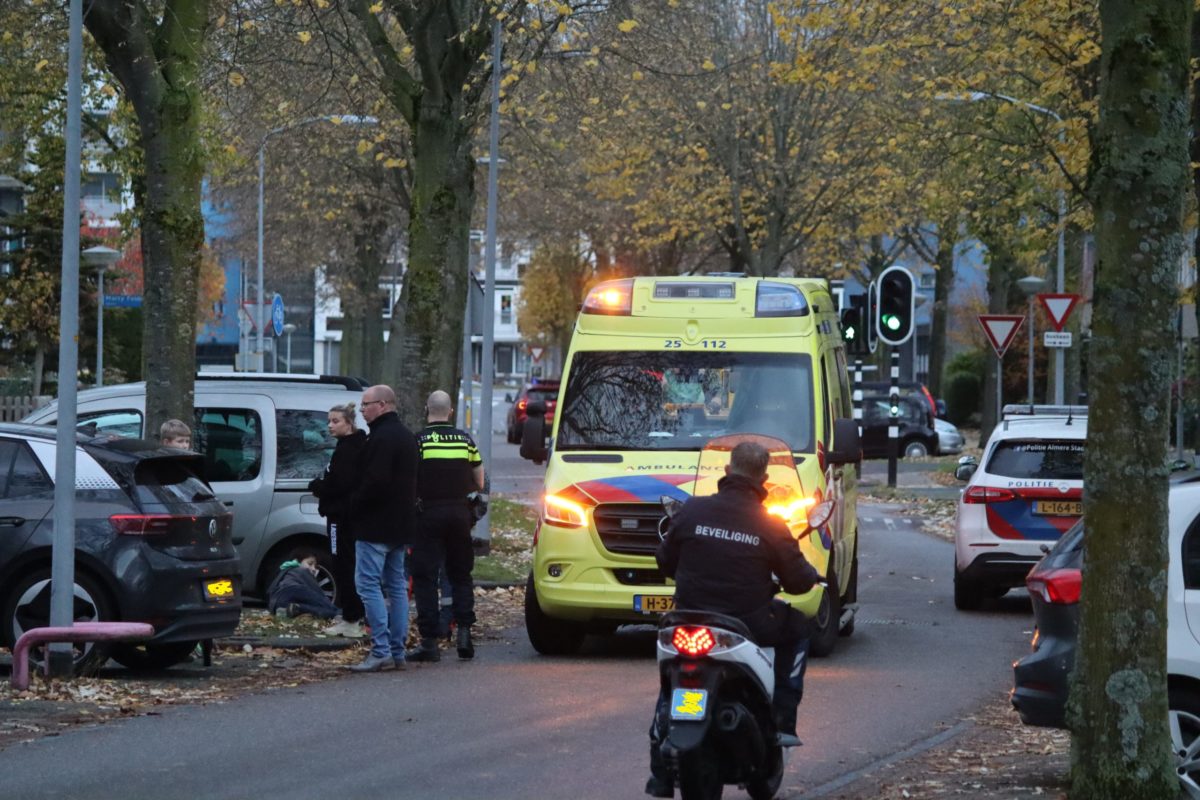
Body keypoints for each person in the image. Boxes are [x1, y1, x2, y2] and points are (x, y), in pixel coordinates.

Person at [646, 440, 819, 797]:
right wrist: (810, 573)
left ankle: (659, 750)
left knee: (670, 679)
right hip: (745, 624)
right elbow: (799, 582)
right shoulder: (770, 524)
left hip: (685, 620)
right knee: (799, 626)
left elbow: (663, 562)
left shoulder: (692, 510)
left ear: (727, 471)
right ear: (764, 479)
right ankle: (783, 716)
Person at [407, 390, 485, 663]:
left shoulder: (419, 441)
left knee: (426, 577)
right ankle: (464, 632)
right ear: (450, 412)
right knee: (460, 574)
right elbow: (480, 481)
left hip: (428, 513)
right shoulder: (465, 440)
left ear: (427, 410)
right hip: (459, 513)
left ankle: (429, 642)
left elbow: (410, 480)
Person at [348, 384, 419, 672]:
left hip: (375, 524)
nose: (362, 410)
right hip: (400, 525)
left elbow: (375, 482)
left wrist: (354, 503)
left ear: (384, 405)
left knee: (368, 585)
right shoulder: (406, 437)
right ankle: (397, 651)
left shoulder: (380, 438)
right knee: (397, 588)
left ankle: (380, 649)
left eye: (366, 404)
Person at [308, 402, 368, 639]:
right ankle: (352, 614)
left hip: (341, 517)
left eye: (336, 421)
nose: (330, 426)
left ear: (349, 423)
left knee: (343, 564)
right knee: (347, 564)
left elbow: (340, 484)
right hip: (346, 515)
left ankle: (351, 617)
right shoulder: (351, 446)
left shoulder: (348, 450)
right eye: (329, 421)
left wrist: (318, 487)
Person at [267, 556, 340, 620]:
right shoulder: (301, 570)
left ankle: (297, 609)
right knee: (326, 605)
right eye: (310, 564)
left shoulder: (286, 571)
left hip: (277, 602)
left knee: (312, 609)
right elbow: (318, 594)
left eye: (315, 566)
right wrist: (330, 605)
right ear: (298, 561)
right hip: (293, 590)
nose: (314, 569)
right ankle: (339, 613)